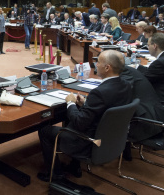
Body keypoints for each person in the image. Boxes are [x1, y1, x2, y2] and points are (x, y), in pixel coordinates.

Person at [37, 50, 132, 181]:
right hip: (111, 137)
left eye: (98, 62)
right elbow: (107, 108)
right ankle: (74, 166)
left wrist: (70, 103)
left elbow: (80, 122)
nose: (95, 64)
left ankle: (55, 174)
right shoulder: (126, 85)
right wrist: (86, 103)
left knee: (44, 130)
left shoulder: (99, 92)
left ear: (107, 67)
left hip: (88, 141)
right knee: (73, 116)